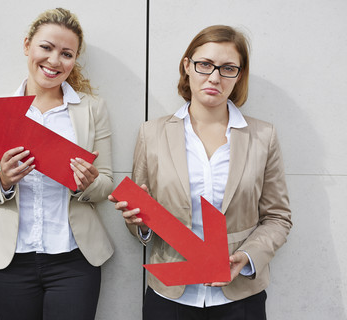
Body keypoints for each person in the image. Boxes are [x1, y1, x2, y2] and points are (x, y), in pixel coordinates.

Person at [109, 25, 292, 319]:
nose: (215, 77)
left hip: (240, 297)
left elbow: (278, 218)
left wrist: (245, 258)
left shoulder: (263, 136)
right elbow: (139, 222)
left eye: (228, 68)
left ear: (239, 75)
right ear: (187, 66)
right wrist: (140, 224)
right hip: (169, 296)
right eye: (205, 64)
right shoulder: (151, 134)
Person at [0, 8, 113, 320]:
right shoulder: (1, 114)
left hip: (74, 261)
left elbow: (106, 183)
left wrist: (87, 183)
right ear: (27, 46)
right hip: (10, 261)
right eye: (46, 48)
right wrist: (4, 181)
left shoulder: (92, 110)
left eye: (66, 53)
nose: (54, 61)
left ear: (74, 60)